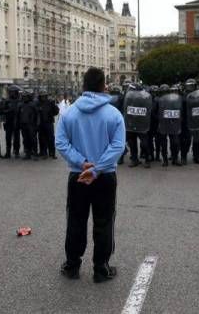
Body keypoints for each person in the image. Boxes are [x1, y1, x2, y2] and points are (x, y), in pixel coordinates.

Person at [55, 67, 126, 283]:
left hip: (78, 175)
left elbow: (61, 143)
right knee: (104, 222)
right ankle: (101, 269)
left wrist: (81, 163)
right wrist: (96, 169)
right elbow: (117, 147)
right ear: (104, 86)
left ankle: (72, 266)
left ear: (83, 86)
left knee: (76, 220)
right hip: (104, 176)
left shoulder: (69, 113)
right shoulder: (113, 114)